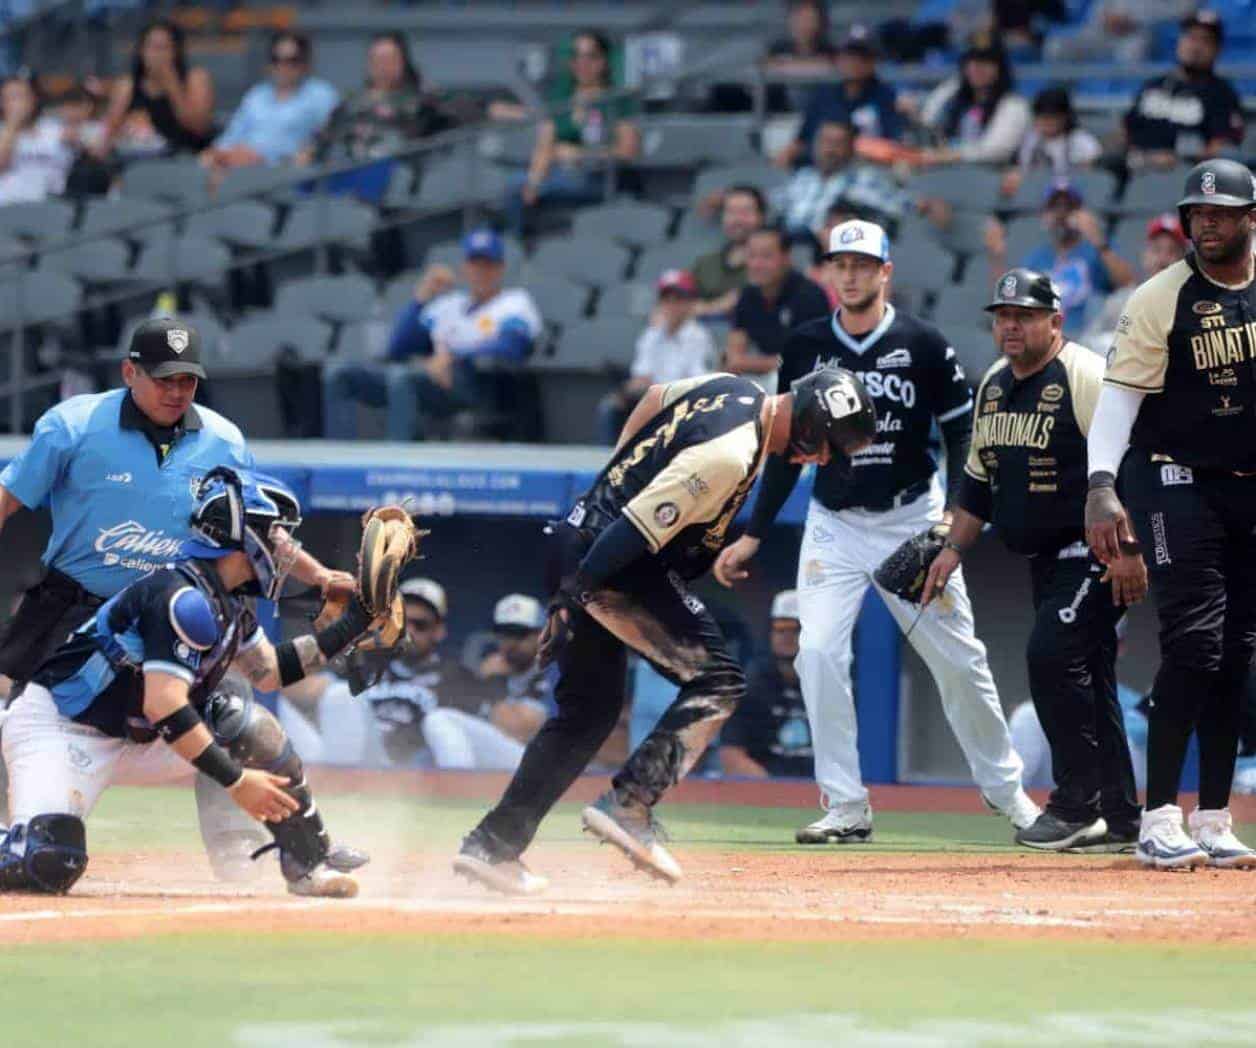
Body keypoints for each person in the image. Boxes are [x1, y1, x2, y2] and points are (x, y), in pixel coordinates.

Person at [452, 367, 876, 894]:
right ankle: (630, 804)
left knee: (586, 715)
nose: (825, 459)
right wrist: (570, 597)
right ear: (813, 426)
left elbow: (653, 398)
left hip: (577, 539)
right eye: (829, 446)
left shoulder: (733, 387)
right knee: (718, 681)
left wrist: (610, 481)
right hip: (612, 562)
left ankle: (493, 846)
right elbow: (632, 529)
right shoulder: (730, 454)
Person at [715, 220, 1040, 844]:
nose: (852, 273)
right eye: (841, 263)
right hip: (834, 522)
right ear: (830, 271)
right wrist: (754, 532)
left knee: (959, 661)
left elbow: (962, 431)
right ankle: (845, 804)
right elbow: (787, 448)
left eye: (864, 263)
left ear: (886, 271)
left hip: (910, 517)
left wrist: (954, 519)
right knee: (816, 654)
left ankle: (1011, 795)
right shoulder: (806, 345)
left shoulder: (921, 341)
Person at [0, 317, 354, 877]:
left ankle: (250, 852)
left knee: (236, 706)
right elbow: (7, 500)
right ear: (129, 372)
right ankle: (18, 829)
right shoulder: (72, 426)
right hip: (72, 607)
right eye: (163, 378)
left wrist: (323, 579)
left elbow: (258, 525)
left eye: (187, 380)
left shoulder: (223, 438)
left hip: (179, 612)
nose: (176, 391)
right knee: (15, 716)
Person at [0, 467, 378, 897]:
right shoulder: (180, 597)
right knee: (49, 861)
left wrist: (353, 625)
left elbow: (270, 671)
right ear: (242, 537)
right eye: (276, 536)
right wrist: (237, 782)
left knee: (249, 726)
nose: (286, 550)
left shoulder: (229, 600)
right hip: (62, 729)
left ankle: (308, 857)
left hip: (140, 735)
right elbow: (165, 703)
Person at [922, 268, 1144, 852]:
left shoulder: (1085, 373)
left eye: (1023, 315)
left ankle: (1077, 805)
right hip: (1044, 558)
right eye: (1002, 316)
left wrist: (1131, 551)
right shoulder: (993, 384)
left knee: (1051, 655)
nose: (1011, 325)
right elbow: (976, 484)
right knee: (1091, 679)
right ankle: (1121, 818)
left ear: (1055, 320)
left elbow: (1135, 465)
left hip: (1094, 550)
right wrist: (950, 550)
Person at [1086, 158, 1256, 870]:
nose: (1206, 223)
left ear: (1252, 217)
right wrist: (1100, 485)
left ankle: (1213, 817)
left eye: (1220, 212)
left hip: (1246, 487)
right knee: (1194, 643)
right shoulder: (1161, 297)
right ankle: (1159, 816)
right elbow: (1118, 406)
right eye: (1196, 213)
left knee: (1237, 652)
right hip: (1170, 479)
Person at [322, 229, 542, 441]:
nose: (481, 271)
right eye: (475, 264)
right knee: (340, 374)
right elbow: (399, 347)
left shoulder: (515, 302)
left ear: (501, 268)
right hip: (430, 379)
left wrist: (451, 358)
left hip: (478, 386)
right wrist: (421, 298)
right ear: (465, 268)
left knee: (403, 378)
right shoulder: (450, 304)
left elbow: (510, 347)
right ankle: (335, 462)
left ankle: (397, 465)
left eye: (488, 265)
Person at [505, 29, 640, 235]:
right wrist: (533, 181)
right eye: (576, 56)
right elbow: (545, 148)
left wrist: (579, 154)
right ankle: (518, 245)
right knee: (517, 184)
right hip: (563, 175)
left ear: (604, 61)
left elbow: (627, 152)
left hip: (601, 178)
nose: (582, 63)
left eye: (590, 57)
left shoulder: (618, 99)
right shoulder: (561, 101)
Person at [987, 178, 1134, 337]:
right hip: (1047, 339)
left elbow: (1127, 285)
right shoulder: (1037, 258)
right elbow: (1010, 303)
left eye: (1068, 207)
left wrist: (1098, 241)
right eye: (1055, 207)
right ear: (1045, 215)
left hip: (1087, 336)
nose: (1061, 214)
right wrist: (997, 257)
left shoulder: (1097, 249)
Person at [596, 269, 717, 445]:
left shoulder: (699, 337)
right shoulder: (651, 334)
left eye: (678, 299)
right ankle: (612, 463)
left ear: (691, 303)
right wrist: (628, 390)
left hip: (684, 402)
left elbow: (697, 385)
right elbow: (641, 376)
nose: (671, 305)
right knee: (611, 407)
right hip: (651, 399)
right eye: (666, 299)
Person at [1122, 11, 1244, 172]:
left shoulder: (1222, 94)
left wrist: (1178, 159)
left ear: (1217, 50)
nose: (1195, 47)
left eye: (1205, 41)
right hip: (1136, 172)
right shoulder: (1153, 85)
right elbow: (1125, 130)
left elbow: (1222, 147)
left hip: (1187, 178)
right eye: (1190, 37)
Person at [201, 31, 338, 171]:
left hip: (287, 175)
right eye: (276, 59)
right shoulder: (256, 96)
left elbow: (334, 139)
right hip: (240, 170)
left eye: (292, 60)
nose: (283, 66)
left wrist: (264, 157)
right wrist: (218, 153)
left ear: (305, 63)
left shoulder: (320, 95)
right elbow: (230, 137)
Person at [774, 25, 901, 170]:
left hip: (868, 171)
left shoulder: (885, 97)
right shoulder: (824, 95)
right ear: (839, 59)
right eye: (849, 56)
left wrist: (858, 146)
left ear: (873, 62)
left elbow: (893, 145)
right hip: (820, 171)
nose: (854, 62)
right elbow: (801, 140)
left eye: (862, 57)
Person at [726, 226, 831, 392]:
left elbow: (807, 359)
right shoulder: (747, 295)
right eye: (752, 256)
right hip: (760, 380)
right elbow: (733, 358)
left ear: (786, 258)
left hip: (807, 385)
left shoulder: (810, 296)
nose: (756, 264)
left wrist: (749, 362)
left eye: (766, 256)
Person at [719, 590, 811, 778]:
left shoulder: (831, 685)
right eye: (780, 629)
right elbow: (731, 757)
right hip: (768, 795)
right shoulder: (750, 688)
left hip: (824, 793)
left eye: (796, 630)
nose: (787, 636)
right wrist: (778, 792)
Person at [773, 120, 913, 240]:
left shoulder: (866, 178)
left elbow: (899, 209)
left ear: (851, 148)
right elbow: (775, 210)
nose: (830, 149)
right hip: (794, 249)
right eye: (825, 141)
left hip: (843, 254)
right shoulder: (801, 177)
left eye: (838, 143)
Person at [95, 19, 215, 158]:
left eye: (164, 48)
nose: (157, 55)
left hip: (188, 155)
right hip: (138, 156)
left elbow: (199, 127)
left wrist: (173, 87)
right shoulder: (128, 83)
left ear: (176, 51)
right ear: (141, 50)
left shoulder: (195, 78)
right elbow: (110, 132)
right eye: (152, 47)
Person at [917, 36, 1030, 167]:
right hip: (949, 174)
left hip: (992, 177)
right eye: (972, 62)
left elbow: (996, 151)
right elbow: (927, 120)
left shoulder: (1014, 104)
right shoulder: (953, 93)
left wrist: (953, 155)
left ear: (1000, 69)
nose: (977, 68)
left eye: (986, 62)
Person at [1082, 214, 1187, 350]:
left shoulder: (1194, 305)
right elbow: (1088, 342)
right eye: (1157, 250)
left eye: (1172, 251)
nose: (1163, 259)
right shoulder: (1122, 301)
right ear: (1145, 256)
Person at [476, 593, 556, 745]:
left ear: (542, 635)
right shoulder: (490, 671)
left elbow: (519, 730)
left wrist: (492, 685)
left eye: (518, 633)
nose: (510, 642)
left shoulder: (554, 673)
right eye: (503, 633)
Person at [691, 185, 765, 320]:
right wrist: (717, 307)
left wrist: (707, 308)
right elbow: (681, 304)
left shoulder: (772, 263)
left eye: (745, 212)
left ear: (761, 217)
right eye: (731, 212)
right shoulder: (706, 263)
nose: (737, 220)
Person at [0, 72, 75, 205]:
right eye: (11, 98)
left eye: (21, 96)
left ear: (33, 99)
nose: (18, 104)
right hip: (7, 207)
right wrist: (12, 125)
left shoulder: (55, 129)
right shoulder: (3, 132)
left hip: (49, 206)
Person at [1006, 86, 1102, 188]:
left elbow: (1091, 178)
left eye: (1053, 116)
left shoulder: (1083, 142)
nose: (1047, 121)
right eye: (1042, 116)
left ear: (1065, 117)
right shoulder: (1028, 141)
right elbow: (1021, 171)